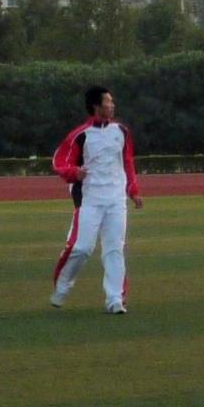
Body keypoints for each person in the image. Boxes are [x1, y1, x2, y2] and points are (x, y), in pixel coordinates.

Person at [50, 85, 143, 314]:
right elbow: (59, 162)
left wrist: (133, 190)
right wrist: (74, 173)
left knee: (114, 249)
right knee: (81, 248)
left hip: (116, 199)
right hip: (89, 199)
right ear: (96, 106)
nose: (112, 105)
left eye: (112, 101)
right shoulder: (80, 135)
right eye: (108, 101)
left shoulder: (121, 131)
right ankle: (62, 285)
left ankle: (115, 299)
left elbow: (127, 162)